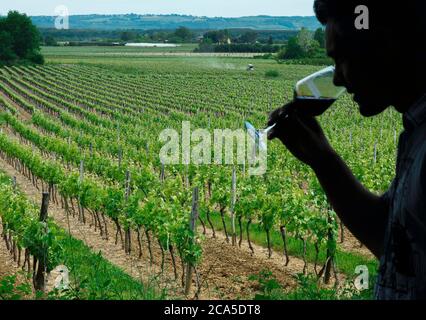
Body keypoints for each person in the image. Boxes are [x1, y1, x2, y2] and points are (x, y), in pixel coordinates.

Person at [267, 0, 426, 299]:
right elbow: (390, 240)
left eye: (343, 58)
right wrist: (322, 159)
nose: (337, 78)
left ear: (386, 43)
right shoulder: (416, 132)